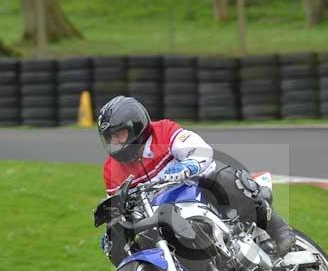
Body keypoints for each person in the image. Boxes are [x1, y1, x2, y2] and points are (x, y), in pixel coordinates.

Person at [98, 95, 296, 260]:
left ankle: (277, 228)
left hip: (196, 190)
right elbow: (120, 206)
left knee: (226, 178)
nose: (115, 142)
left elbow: (201, 151)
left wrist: (188, 166)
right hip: (163, 214)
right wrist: (114, 228)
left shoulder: (164, 131)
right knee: (124, 245)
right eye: (110, 138)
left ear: (135, 126)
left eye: (119, 135)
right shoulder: (111, 169)